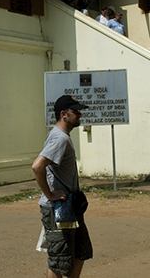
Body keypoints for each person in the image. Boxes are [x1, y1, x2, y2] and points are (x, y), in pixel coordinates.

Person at [32, 95, 93, 277]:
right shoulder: (60, 138)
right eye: (75, 111)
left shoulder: (61, 136)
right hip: (57, 207)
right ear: (63, 114)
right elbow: (37, 166)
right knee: (59, 261)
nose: (80, 115)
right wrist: (50, 194)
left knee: (81, 251)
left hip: (69, 206)